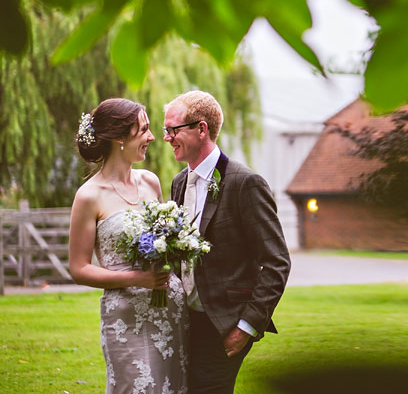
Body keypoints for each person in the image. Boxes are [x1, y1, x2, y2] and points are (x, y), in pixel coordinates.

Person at [163, 90, 291, 393]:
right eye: (165, 130)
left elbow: (277, 262)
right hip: (186, 321)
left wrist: (245, 326)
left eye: (173, 129)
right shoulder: (179, 182)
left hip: (224, 323)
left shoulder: (245, 183)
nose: (166, 137)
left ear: (201, 129)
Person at [69, 98, 188, 394]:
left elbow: (166, 241)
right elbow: (79, 269)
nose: (151, 137)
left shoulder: (150, 182)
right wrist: (139, 279)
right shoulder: (89, 196)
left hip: (170, 310)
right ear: (120, 138)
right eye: (144, 130)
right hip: (125, 317)